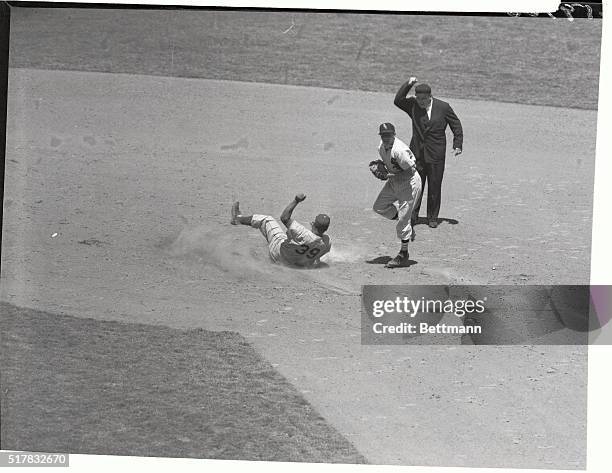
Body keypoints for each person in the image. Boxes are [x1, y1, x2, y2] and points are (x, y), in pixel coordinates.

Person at [394, 77, 463, 228]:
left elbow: (456, 125)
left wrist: (457, 144)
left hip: (436, 154)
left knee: (435, 186)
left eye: (424, 99)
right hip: (417, 154)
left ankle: (432, 217)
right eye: (418, 98)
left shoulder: (443, 107)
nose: (421, 102)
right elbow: (398, 100)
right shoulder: (412, 105)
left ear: (430, 97)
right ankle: (413, 215)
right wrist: (408, 84)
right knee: (416, 186)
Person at [371, 122, 422, 269]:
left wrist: (387, 174)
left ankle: (403, 255)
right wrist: (380, 168)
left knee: (403, 222)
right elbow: (387, 163)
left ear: (394, 134)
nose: (386, 138)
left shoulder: (400, 151)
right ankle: (405, 223)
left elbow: (412, 168)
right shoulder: (381, 146)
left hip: (409, 184)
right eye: (383, 135)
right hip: (394, 182)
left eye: (388, 135)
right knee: (379, 207)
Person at [230, 194, 331, 268]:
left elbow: (284, 218)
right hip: (297, 265)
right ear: (326, 229)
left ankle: (237, 219)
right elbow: (317, 257)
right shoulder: (327, 243)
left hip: (278, 255)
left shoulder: (302, 232)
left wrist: (296, 201)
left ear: (313, 224)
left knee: (267, 220)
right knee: (290, 238)